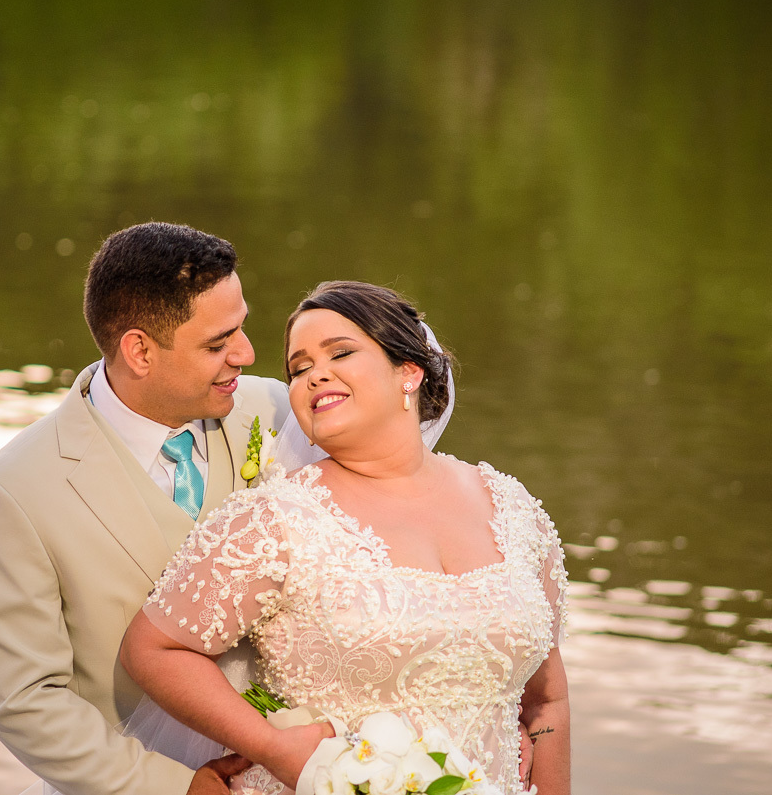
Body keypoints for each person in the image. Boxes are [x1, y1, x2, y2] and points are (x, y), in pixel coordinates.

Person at [121, 281, 571, 795]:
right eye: (299, 368)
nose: (315, 375)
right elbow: (154, 649)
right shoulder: (272, 519)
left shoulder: (513, 510)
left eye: (340, 353)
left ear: (409, 372)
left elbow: (546, 703)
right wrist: (272, 747)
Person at [0, 222, 289, 795]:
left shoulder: (276, 410)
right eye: (218, 343)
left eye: (241, 326)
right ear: (139, 351)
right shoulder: (13, 491)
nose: (247, 353)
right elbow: (22, 698)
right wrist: (175, 788)